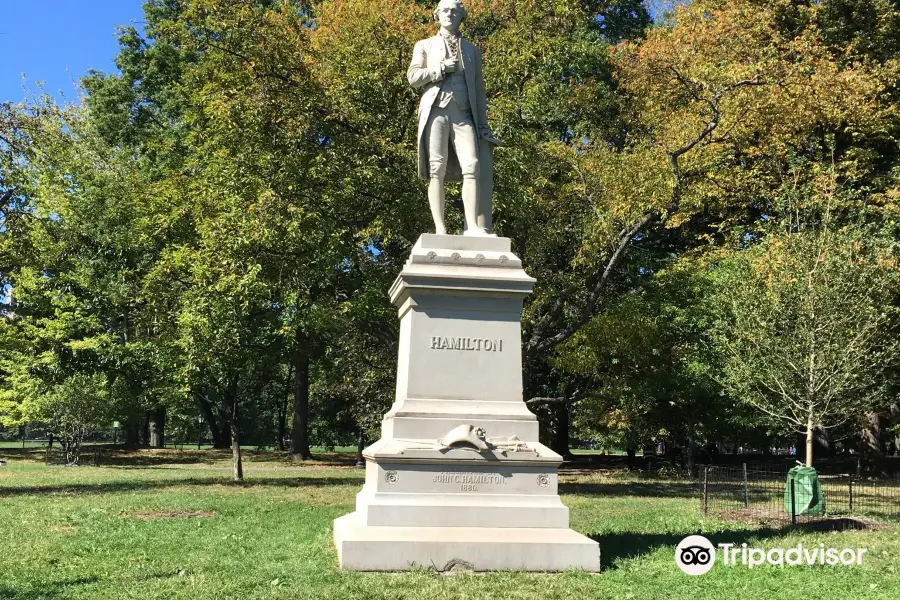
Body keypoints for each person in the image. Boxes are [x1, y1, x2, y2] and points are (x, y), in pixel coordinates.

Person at [407, 0, 499, 236]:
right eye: (445, 10)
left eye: (454, 11)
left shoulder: (471, 50)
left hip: (463, 114)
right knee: (436, 167)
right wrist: (439, 69)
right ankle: (440, 228)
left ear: (461, 16)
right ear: (437, 15)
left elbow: (479, 90)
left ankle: (473, 227)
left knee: (473, 165)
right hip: (436, 110)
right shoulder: (424, 45)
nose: (449, 14)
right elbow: (413, 77)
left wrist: (483, 124)